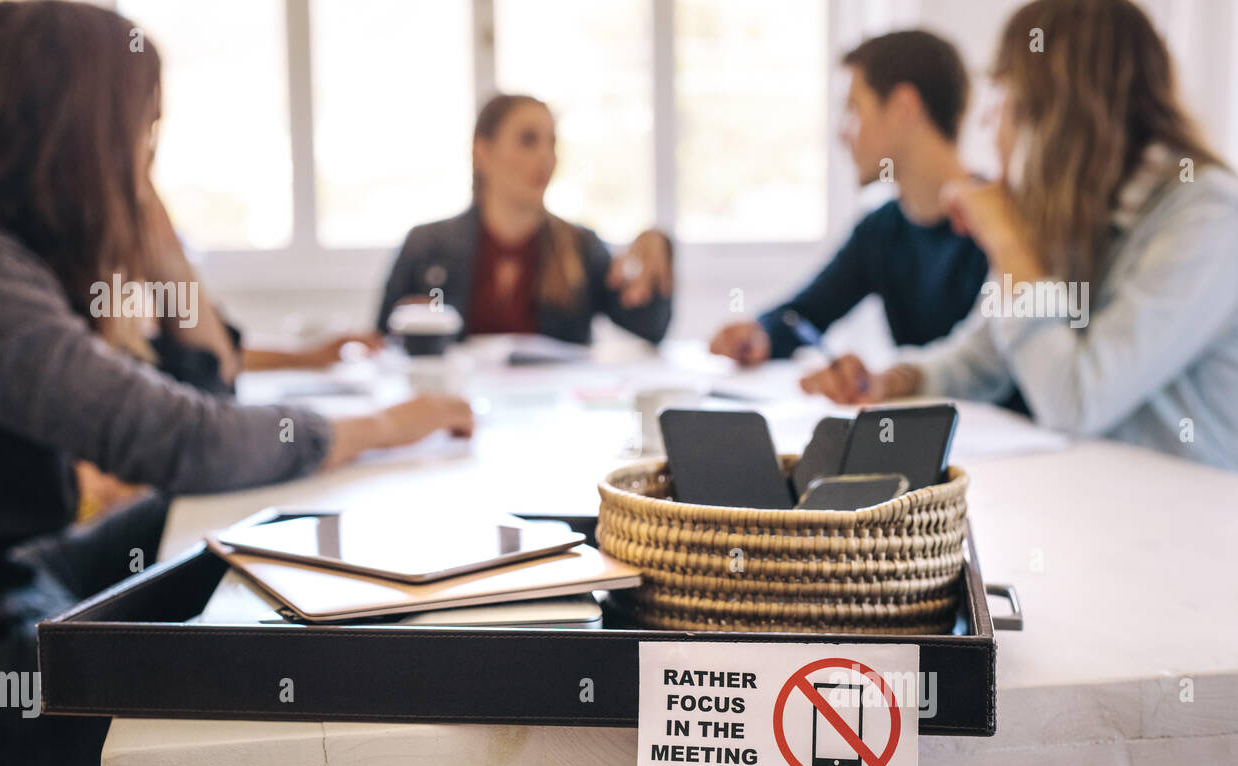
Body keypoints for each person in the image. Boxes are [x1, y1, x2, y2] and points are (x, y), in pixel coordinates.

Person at [0, 0, 473, 766]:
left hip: (9, 575)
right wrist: (383, 426)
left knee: (227, 526)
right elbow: (179, 437)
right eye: (139, 132)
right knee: (270, 684)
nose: (142, 160)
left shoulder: (2, 255)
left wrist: (152, 233)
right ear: (77, 132)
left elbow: (201, 397)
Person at [803, 0, 1238, 475]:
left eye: (1004, 95)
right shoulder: (1073, 209)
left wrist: (1009, 244)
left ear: (1058, 110)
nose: (990, 122)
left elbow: (1077, 403)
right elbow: (978, 360)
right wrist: (891, 381)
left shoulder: (1209, 215)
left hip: (1194, 518)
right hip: (1101, 500)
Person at [710, 30, 1003, 402]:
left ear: (903, 108)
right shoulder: (881, 230)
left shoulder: (1005, 225)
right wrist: (761, 335)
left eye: (853, 109)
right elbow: (806, 312)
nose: (842, 133)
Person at [377, 93, 674, 345]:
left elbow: (649, 327)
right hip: (455, 407)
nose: (547, 158)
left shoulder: (581, 246)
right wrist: (412, 326)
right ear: (483, 151)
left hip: (553, 409)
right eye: (528, 141)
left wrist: (656, 258)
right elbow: (382, 343)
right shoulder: (427, 247)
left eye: (552, 143)